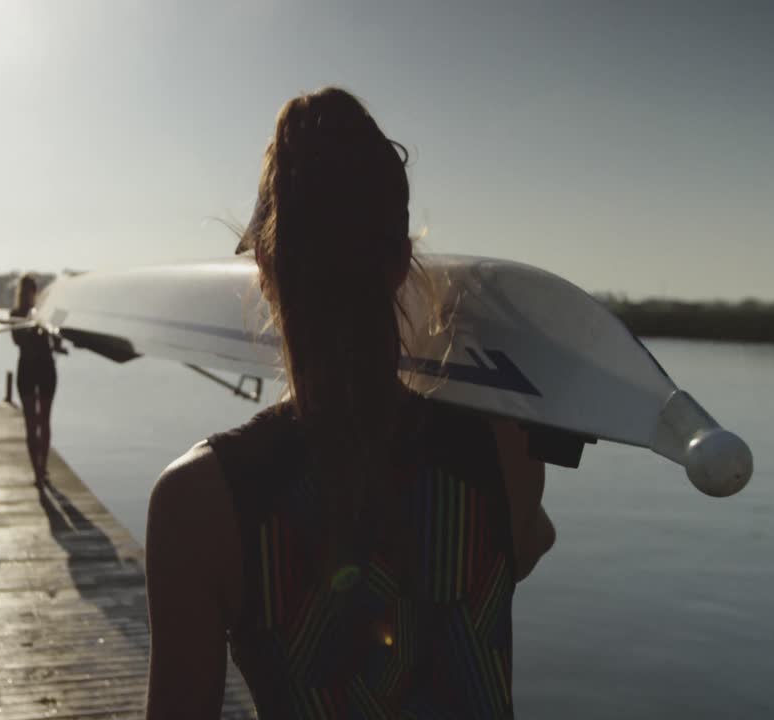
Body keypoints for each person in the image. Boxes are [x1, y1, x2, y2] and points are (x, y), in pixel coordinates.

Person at [144, 88, 556, 719]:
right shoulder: (507, 450)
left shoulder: (199, 504)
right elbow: (524, 548)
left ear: (264, 267)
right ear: (401, 263)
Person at [11, 274, 58, 486]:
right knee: (31, 423)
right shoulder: (16, 314)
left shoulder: (45, 312)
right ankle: (37, 472)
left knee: (44, 421)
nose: (28, 295)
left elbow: (56, 339)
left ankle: (44, 467)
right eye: (25, 291)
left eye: (31, 291)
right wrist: (31, 325)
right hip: (27, 371)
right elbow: (18, 339)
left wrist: (53, 329)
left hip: (46, 369)